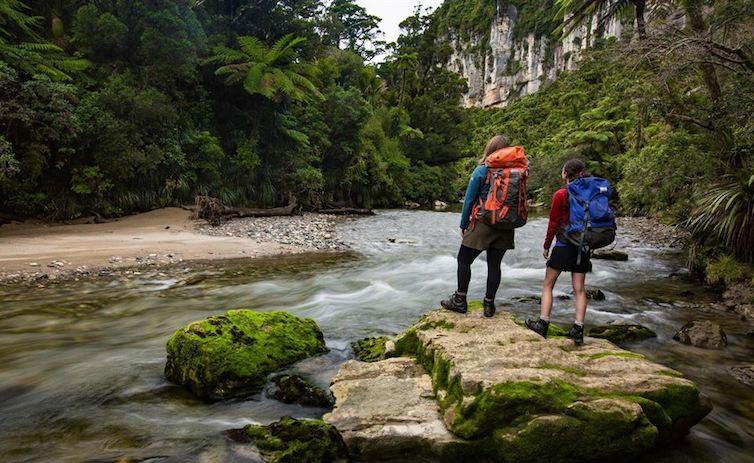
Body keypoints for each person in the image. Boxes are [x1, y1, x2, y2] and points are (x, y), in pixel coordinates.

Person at [441, 135, 515, 318]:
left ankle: (460, 299)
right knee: (495, 265)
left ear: (489, 149)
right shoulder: (514, 173)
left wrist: (464, 223)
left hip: (483, 223)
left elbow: (469, 200)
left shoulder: (482, 170)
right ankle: (489, 305)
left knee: (463, 260)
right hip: (506, 225)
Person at [525, 159, 591, 345]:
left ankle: (543, 323)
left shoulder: (561, 194)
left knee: (548, 285)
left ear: (565, 174)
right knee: (579, 289)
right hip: (582, 246)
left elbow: (553, 223)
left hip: (563, 245)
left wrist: (546, 245)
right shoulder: (589, 195)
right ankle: (578, 329)